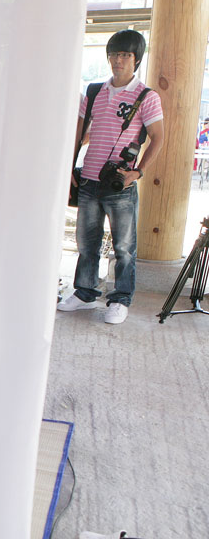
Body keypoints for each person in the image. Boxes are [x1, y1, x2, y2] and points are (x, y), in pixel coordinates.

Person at [58, 30, 164, 325]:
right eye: (114, 54)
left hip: (120, 184)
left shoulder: (147, 97)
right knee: (87, 243)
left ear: (137, 60)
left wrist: (138, 172)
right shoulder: (93, 92)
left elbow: (157, 138)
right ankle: (85, 293)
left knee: (124, 248)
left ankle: (120, 300)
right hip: (90, 180)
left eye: (125, 55)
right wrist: (68, 166)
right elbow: (79, 134)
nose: (118, 60)